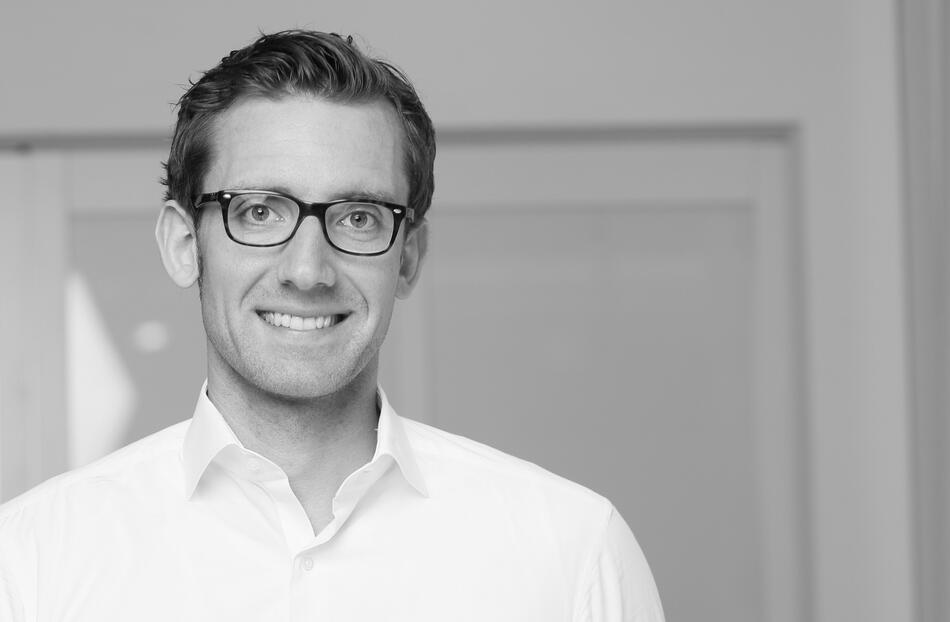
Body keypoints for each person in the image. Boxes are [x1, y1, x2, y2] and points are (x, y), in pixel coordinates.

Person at [0, 30, 664, 621]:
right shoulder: (31, 562)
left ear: (409, 257)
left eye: (358, 217)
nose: (308, 270)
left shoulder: (571, 552)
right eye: (259, 211)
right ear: (183, 245)